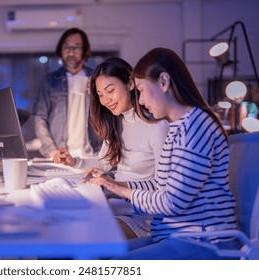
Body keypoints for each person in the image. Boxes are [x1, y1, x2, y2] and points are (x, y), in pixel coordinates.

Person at [86, 48, 238, 259]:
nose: (140, 101)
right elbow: (161, 186)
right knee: (92, 254)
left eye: (142, 89)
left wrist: (121, 191)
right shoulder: (178, 126)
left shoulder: (196, 127)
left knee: (104, 263)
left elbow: (171, 202)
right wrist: (118, 185)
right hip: (174, 234)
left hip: (205, 241)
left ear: (164, 82)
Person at [52, 57, 169, 239]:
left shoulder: (157, 126)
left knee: (75, 233)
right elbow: (105, 163)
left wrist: (116, 185)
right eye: (100, 94)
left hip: (145, 214)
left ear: (130, 83)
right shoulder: (117, 122)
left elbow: (164, 187)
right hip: (118, 203)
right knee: (56, 224)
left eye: (110, 91)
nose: (106, 100)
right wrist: (75, 162)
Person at [32, 27, 101, 159]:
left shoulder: (97, 78)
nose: (70, 52)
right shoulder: (50, 81)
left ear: (85, 51)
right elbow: (39, 117)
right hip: (59, 156)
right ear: (60, 50)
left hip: (92, 155)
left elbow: (110, 115)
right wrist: (51, 150)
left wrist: (96, 93)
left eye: (76, 47)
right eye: (66, 47)